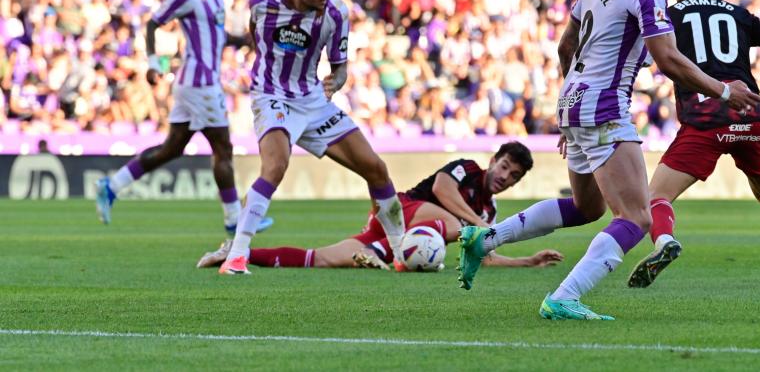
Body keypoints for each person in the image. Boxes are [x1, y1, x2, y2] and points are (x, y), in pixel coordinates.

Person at [455, 0, 760, 321]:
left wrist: (571, 109)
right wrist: (725, 91)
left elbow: (566, 45)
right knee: (637, 216)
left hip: (574, 101)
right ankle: (563, 297)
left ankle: (483, 239)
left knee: (586, 208)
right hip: (604, 106)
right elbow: (667, 56)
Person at [218, 0, 406, 275]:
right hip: (271, 95)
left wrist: (338, 80)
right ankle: (236, 255)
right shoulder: (262, 1)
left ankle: (403, 253)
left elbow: (340, 66)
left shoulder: (336, 13)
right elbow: (254, 33)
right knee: (275, 167)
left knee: (376, 169)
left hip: (313, 101)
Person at [627, 0, 760, 288]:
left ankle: (665, 241)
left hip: (705, 118)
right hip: (750, 113)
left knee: (655, 197)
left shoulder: (670, 16)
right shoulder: (739, 14)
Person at [95, 0, 271, 235]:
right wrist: (152, 63)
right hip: (199, 84)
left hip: (196, 84)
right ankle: (234, 219)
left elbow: (216, 34)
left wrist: (241, 40)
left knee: (172, 148)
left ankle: (112, 185)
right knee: (223, 149)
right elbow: (153, 23)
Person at [197, 142, 563, 271]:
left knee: (320, 259)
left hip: (389, 238)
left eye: (513, 176)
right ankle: (403, 261)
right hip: (400, 211)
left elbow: (483, 256)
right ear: (494, 160)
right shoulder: (467, 170)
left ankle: (237, 253)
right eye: (504, 166)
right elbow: (441, 188)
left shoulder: (489, 214)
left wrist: (527, 260)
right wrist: (479, 227)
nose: (504, 176)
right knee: (459, 227)